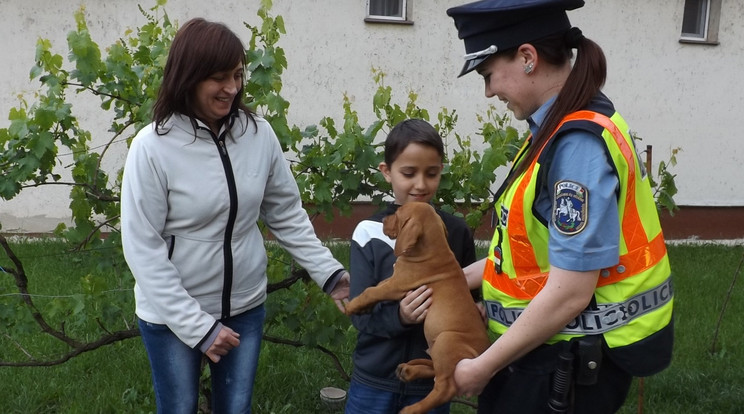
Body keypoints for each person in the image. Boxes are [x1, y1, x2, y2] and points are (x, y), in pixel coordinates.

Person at [445, 1, 674, 413]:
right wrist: (451, 283)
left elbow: (570, 293)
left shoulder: (576, 144)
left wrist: (482, 367)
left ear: (528, 58)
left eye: (488, 75)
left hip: (564, 365)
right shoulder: (555, 128)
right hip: (544, 351)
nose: (489, 91)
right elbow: (526, 255)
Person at [120, 18, 350, 414]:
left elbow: (286, 214)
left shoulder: (258, 135)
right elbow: (143, 251)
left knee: (237, 408)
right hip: (172, 316)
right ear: (188, 78)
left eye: (237, 75)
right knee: (178, 408)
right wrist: (200, 329)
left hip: (244, 306)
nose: (232, 88)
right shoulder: (152, 147)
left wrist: (330, 275)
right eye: (218, 78)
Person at [345, 118, 477, 414]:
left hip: (427, 383)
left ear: (441, 172)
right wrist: (400, 317)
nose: (420, 184)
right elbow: (359, 315)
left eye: (431, 174)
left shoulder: (455, 232)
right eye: (408, 173)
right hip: (374, 380)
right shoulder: (368, 231)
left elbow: (470, 305)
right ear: (386, 172)